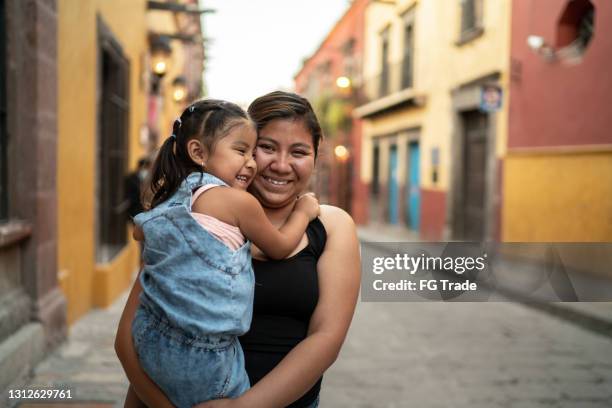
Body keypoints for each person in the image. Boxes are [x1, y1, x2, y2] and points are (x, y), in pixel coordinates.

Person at [115, 91, 360, 408]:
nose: (281, 165)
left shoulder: (330, 226)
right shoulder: (196, 217)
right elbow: (128, 336)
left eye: (298, 152)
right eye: (266, 148)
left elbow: (325, 338)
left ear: (314, 158)